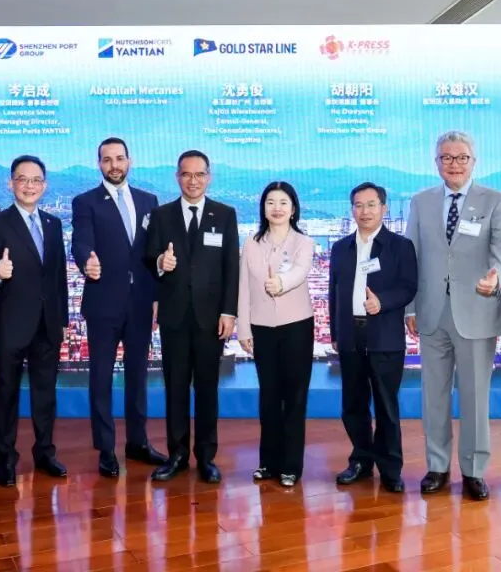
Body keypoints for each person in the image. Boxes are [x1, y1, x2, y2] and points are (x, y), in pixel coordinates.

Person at [405, 131, 501, 501]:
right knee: (433, 396)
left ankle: (474, 470)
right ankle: (437, 467)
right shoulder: (421, 202)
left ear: (473, 161)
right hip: (430, 312)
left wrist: (497, 276)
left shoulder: (495, 200)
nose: (454, 164)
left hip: (477, 310)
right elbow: (411, 255)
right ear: (437, 162)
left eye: (461, 157)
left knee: (475, 396)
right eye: (446, 158)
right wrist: (409, 307)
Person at [71, 137, 168, 478]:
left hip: (140, 302)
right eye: (107, 159)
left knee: (138, 376)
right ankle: (106, 449)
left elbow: (153, 251)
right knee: (100, 378)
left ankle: (138, 443)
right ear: (99, 164)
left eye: (119, 158)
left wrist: (156, 294)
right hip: (103, 302)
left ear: (129, 161)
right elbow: (80, 241)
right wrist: (86, 260)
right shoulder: (85, 202)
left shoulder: (148, 201)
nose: (114, 165)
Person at [144, 150, 239, 483]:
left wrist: (229, 311)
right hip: (174, 316)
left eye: (199, 174)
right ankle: (177, 455)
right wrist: (161, 262)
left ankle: (207, 458)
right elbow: (149, 256)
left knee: (208, 389)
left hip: (211, 318)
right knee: (176, 389)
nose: (193, 180)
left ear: (209, 177)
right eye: (186, 174)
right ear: (177, 177)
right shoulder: (161, 215)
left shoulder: (225, 214)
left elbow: (231, 267)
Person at [0, 155, 69, 486]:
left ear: (44, 185)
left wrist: (62, 319)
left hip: (48, 323)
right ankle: (4, 459)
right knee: (6, 393)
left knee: (45, 395)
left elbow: (58, 276)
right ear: (10, 183)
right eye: (22, 179)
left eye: (36, 180)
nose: (29, 186)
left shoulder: (54, 224)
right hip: (11, 322)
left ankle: (45, 453)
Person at [329, 183, 418, 491]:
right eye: (358, 205)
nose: (364, 211)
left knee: (386, 406)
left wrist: (383, 301)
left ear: (384, 208)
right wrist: (335, 333)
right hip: (350, 335)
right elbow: (334, 292)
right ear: (351, 210)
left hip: (385, 336)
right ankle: (361, 461)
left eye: (371, 205)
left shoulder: (400, 246)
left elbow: (409, 287)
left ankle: (391, 469)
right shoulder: (340, 248)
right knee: (353, 404)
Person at [236, 181, 315, 487]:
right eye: (271, 202)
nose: (277, 208)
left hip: (297, 326)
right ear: (263, 208)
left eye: (283, 202)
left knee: (295, 397)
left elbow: (300, 271)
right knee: (269, 397)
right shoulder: (251, 243)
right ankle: (268, 462)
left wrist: (280, 283)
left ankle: (291, 466)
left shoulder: (304, 242)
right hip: (261, 327)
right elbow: (244, 287)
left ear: (293, 209)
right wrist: (244, 328)